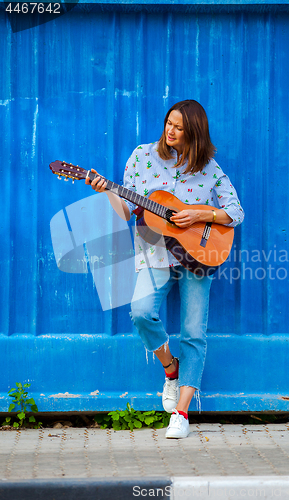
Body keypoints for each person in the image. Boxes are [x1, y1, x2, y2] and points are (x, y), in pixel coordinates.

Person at [86, 100, 244, 438]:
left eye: (179, 128)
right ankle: (171, 369)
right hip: (154, 253)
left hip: (199, 258)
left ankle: (183, 413)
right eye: (168, 123)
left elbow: (235, 211)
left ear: (195, 134)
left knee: (194, 334)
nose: (170, 131)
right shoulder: (143, 156)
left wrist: (203, 214)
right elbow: (125, 213)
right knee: (140, 312)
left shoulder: (209, 169)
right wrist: (105, 191)